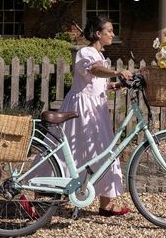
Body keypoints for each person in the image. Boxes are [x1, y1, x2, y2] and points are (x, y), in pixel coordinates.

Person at [57, 14, 133, 217]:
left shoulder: (99, 55)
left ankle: (105, 204)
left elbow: (93, 80)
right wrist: (117, 72)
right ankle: (40, 197)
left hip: (96, 109)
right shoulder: (86, 52)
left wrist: (112, 85)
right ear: (98, 34)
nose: (112, 34)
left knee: (103, 152)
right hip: (83, 110)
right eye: (109, 31)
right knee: (74, 153)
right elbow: (95, 70)